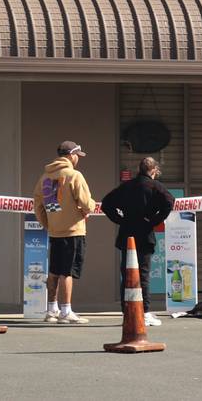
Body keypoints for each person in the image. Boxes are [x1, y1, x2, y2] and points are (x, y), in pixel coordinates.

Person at [101, 157, 175, 326]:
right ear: (154, 171)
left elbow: (106, 204)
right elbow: (169, 202)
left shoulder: (126, 186)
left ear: (139, 169)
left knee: (127, 274)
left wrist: (120, 219)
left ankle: (127, 312)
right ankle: (145, 312)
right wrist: (154, 220)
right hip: (144, 233)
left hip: (127, 233)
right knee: (142, 274)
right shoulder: (155, 187)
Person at [33, 140, 96, 324]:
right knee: (67, 272)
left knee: (54, 271)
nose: (78, 159)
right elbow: (86, 203)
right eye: (77, 155)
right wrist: (89, 207)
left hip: (54, 232)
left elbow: (38, 205)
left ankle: (51, 310)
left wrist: (48, 224)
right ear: (71, 155)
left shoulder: (45, 177)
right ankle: (66, 311)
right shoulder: (74, 175)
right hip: (73, 231)